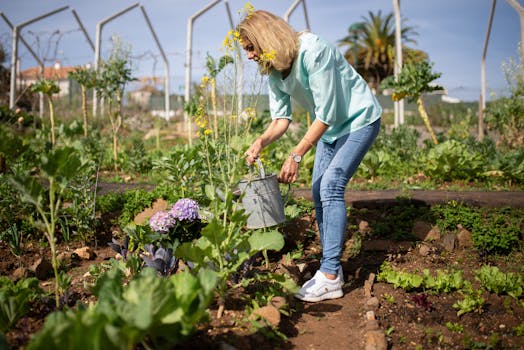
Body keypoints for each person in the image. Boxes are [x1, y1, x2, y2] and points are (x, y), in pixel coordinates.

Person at [239, 10, 382, 302]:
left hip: (358, 120)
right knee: (318, 191)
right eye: (246, 51)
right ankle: (333, 270)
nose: (250, 56)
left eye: (251, 48)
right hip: (329, 130)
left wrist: (296, 154)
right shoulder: (274, 69)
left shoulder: (313, 50)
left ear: (265, 39)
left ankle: (330, 275)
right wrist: (260, 142)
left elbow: (328, 113)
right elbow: (281, 119)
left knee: (331, 186)